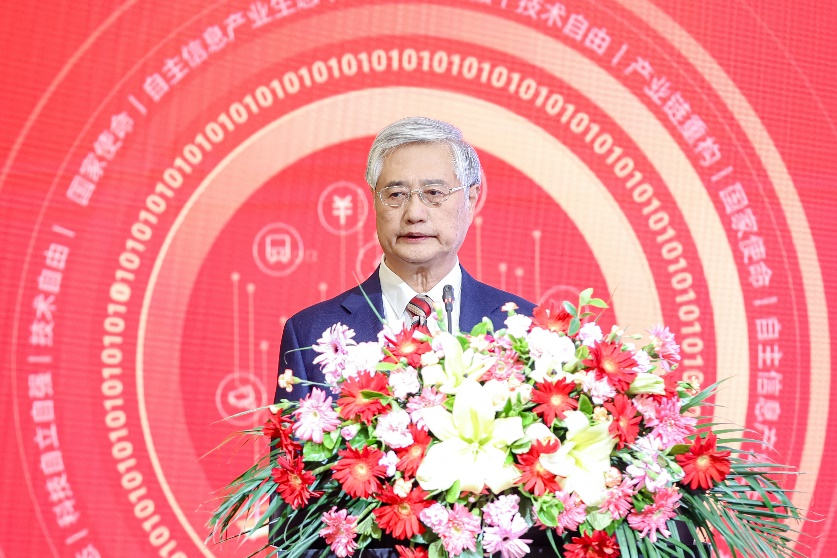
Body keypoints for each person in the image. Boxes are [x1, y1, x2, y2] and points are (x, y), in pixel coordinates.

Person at [274, 116, 535, 404]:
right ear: (374, 200)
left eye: (434, 193)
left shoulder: (525, 328)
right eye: (396, 194)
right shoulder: (311, 333)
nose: (414, 214)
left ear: (471, 200)